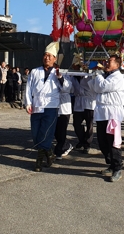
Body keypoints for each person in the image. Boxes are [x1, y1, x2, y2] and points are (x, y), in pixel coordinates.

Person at [24, 42, 70, 172]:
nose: (47, 58)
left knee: (46, 133)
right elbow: (28, 88)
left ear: (55, 58)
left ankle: (39, 160)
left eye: (50, 56)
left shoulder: (59, 72)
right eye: (45, 55)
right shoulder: (34, 71)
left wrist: (60, 77)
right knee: (35, 133)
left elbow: (67, 89)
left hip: (51, 106)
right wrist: (28, 103)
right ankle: (49, 154)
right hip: (36, 106)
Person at [89, 54, 124, 182]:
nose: (106, 63)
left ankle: (117, 168)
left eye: (109, 61)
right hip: (101, 112)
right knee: (102, 141)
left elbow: (102, 87)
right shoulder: (105, 76)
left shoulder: (118, 77)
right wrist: (94, 75)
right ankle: (111, 163)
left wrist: (98, 76)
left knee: (113, 142)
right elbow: (93, 88)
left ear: (117, 64)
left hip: (113, 114)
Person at [71, 61, 95, 154]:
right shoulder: (73, 77)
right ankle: (81, 140)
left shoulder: (89, 76)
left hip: (89, 102)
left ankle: (87, 144)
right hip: (78, 102)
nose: (76, 68)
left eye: (77, 66)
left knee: (89, 125)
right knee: (76, 124)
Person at [54, 58, 74, 160]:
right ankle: (66, 145)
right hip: (53, 106)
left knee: (61, 130)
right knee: (55, 131)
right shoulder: (49, 76)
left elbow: (67, 87)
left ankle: (58, 151)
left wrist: (60, 77)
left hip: (64, 107)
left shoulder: (66, 75)